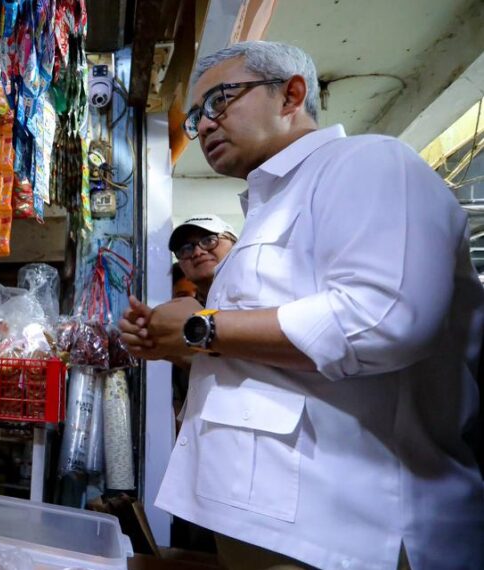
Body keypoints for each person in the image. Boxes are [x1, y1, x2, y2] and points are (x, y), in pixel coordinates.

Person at [120, 41, 484, 570]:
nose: (204, 125)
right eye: (196, 117)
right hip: (272, 520)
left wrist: (202, 329)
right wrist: (175, 341)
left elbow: (384, 320)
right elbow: (268, 361)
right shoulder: (269, 211)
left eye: (219, 100)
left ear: (291, 95)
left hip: (348, 532)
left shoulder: (369, 162)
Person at [169, 215, 238, 305]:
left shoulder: (255, 296)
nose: (197, 252)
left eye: (209, 240)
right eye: (185, 249)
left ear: (235, 245)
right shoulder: (182, 310)